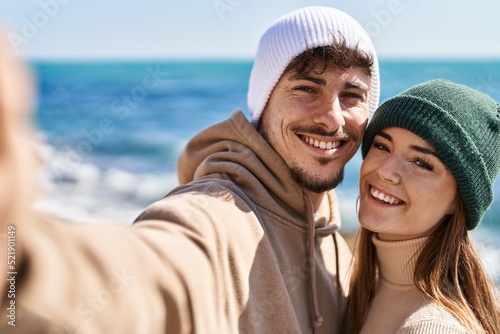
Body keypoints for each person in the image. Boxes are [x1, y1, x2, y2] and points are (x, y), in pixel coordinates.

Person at [0, 6, 380, 334]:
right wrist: (19, 267)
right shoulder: (213, 216)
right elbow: (152, 276)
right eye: (307, 89)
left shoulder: (337, 239)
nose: (332, 119)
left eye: (352, 96)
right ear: (263, 104)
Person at [342, 79, 500, 333]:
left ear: (457, 202)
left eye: (422, 163)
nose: (385, 171)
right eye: (382, 146)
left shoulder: (432, 327)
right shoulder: (367, 290)